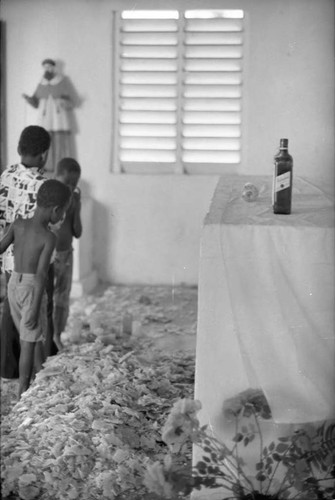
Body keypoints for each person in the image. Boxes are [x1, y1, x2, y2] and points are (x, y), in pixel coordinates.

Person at [0, 180, 71, 397]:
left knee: (29, 335)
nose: (62, 218)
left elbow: (1, 247)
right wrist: (34, 307)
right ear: (55, 210)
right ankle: (24, 390)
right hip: (32, 288)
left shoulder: (18, 224)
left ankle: (39, 375)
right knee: (28, 343)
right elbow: (41, 275)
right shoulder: (49, 237)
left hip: (14, 285)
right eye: (63, 213)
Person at [0, 125, 57, 380]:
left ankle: (8, 368)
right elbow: (50, 223)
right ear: (44, 154)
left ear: (19, 149)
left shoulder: (6, 175)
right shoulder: (45, 185)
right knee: (38, 315)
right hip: (37, 261)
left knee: (12, 312)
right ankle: (40, 371)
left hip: (11, 258)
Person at [22, 59, 74, 175]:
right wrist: (28, 99)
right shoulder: (42, 83)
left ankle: (61, 167)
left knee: (60, 142)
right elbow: (35, 102)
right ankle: (46, 167)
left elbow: (70, 100)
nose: (47, 69)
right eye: (45, 67)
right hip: (45, 118)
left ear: (54, 68)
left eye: (49, 67)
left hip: (58, 117)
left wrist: (64, 102)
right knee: (45, 141)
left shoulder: (62, 81)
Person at [53, 158, 82, 350]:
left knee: (63, 298)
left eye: (74, 184)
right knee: (48, 297)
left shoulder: (74, 200)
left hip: (66, 255)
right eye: (66, 183)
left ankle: (57, 335)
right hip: (49, 257)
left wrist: (76, 208)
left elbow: (78, 232)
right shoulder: (51, 198)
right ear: (56, 178)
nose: (70, 187)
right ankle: (48, 335)